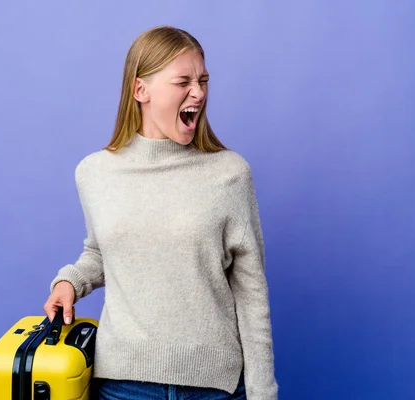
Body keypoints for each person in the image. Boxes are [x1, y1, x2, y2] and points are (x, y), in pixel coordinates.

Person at [43, 25, 278, 400]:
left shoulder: (230, 173)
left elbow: (251, 292)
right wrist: (68, 282)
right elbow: (102, 252)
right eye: (183, 81)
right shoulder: (95, 173)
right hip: (122, 386)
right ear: (141, 90)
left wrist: (263, 391)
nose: (198, 93)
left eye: (203, 80)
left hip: (214, 389)